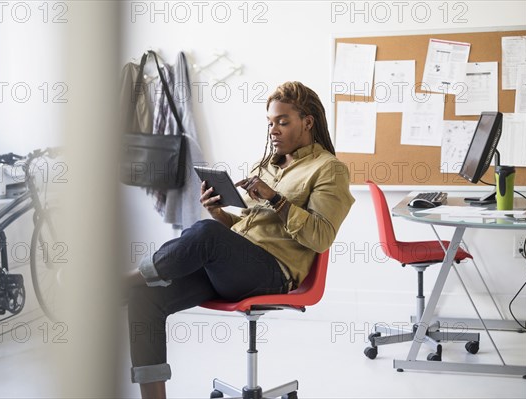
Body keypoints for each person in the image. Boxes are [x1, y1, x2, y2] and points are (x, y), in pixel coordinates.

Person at [126, 81, 355, 398]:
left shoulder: (329, 170)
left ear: (308, 122)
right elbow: (246, 226)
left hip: (273, 273)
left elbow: (320, 237)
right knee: (146, 299)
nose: (273, 130)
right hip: (236, 267)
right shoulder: (266, 166)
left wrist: (275, 199)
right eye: (270, 122)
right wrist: (218, 213)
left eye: (283, 121)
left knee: (205, 234)